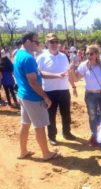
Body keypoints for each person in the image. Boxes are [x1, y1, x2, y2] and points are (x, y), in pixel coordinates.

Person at [14, 32, 60, 160]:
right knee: (39, 126)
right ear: (27, 41)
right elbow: (33, 81)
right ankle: (46, 153)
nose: (38, 44)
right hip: (33, 97)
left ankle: (23, 151)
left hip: (24, 95)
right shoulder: (28, 58)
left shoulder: (18, 54)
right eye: (36, 42)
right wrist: (45, 96)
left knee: (25, 124)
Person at [36, 33, 77, 146]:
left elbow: (68, 73)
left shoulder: (64, 56)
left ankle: (66, 133)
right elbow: (40, 73)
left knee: (66, 113)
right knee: (51, 115)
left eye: (56, 42)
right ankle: (52, 136)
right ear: (47, 43)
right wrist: (57, 75)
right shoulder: (41, 57)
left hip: (64, 90)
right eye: (51, 42)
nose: (54, 44)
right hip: (49, 91)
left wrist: (73, 86)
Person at [71, 44, 101, 147]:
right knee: (92, 116)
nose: (88, 55)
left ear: (97, 54)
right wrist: (71, 71)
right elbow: (76, 79)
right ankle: (94, 134)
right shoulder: (84, 65)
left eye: (91, 53)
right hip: (90, 95)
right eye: (87, 53)